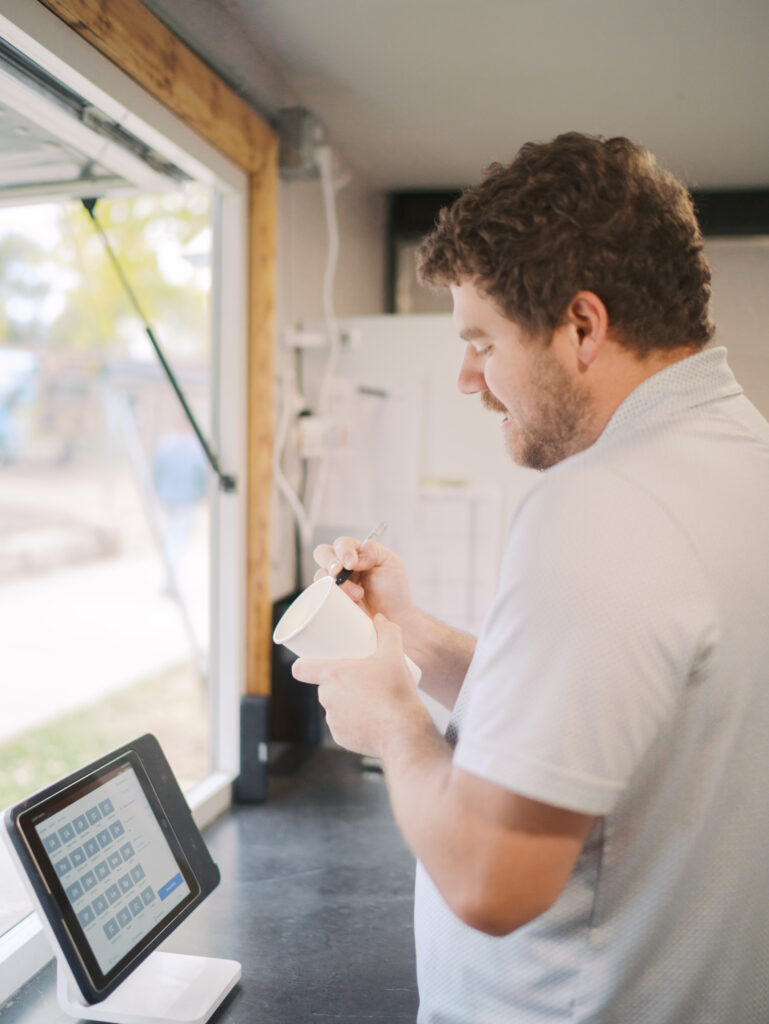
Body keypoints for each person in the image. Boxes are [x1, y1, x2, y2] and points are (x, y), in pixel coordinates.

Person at [292, 133, 769, 1022]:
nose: (468, 380)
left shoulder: (601, 504)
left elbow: (489, 879)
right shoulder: (742, 465)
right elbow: (621, 718)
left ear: (581, 327)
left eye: (481, 342)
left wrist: (391, 720)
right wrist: (415, 637)